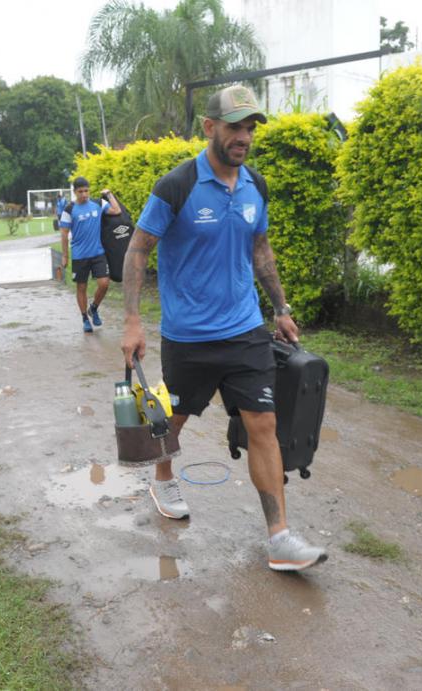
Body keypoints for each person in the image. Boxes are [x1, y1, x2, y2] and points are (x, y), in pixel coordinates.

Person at [121, 85, 327, 572]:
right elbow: (138, 249)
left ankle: (279, 537)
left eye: (251, 127)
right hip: (189, 334)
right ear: (210, 128)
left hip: (245, 330)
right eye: (235, 126)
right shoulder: (177, 185)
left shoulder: (255, 184)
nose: (245, 136)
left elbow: (261, 249)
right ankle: (163, 475)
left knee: (264, 425)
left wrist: (280, 307)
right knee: (173, 419)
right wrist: (132, 320)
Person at [60, 177, 121, 333]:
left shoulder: (98, 204)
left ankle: (93, 308)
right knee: (81, 287)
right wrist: (65, 256)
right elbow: (64, 234)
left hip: (98, 253)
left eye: (86, 190)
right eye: (80, 192)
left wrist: (109, 194)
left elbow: (117, 210)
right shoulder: (68, 210)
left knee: (104, 284)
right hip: (79, 256)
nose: (84, 194)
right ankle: (84, 318)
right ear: (74, 192)